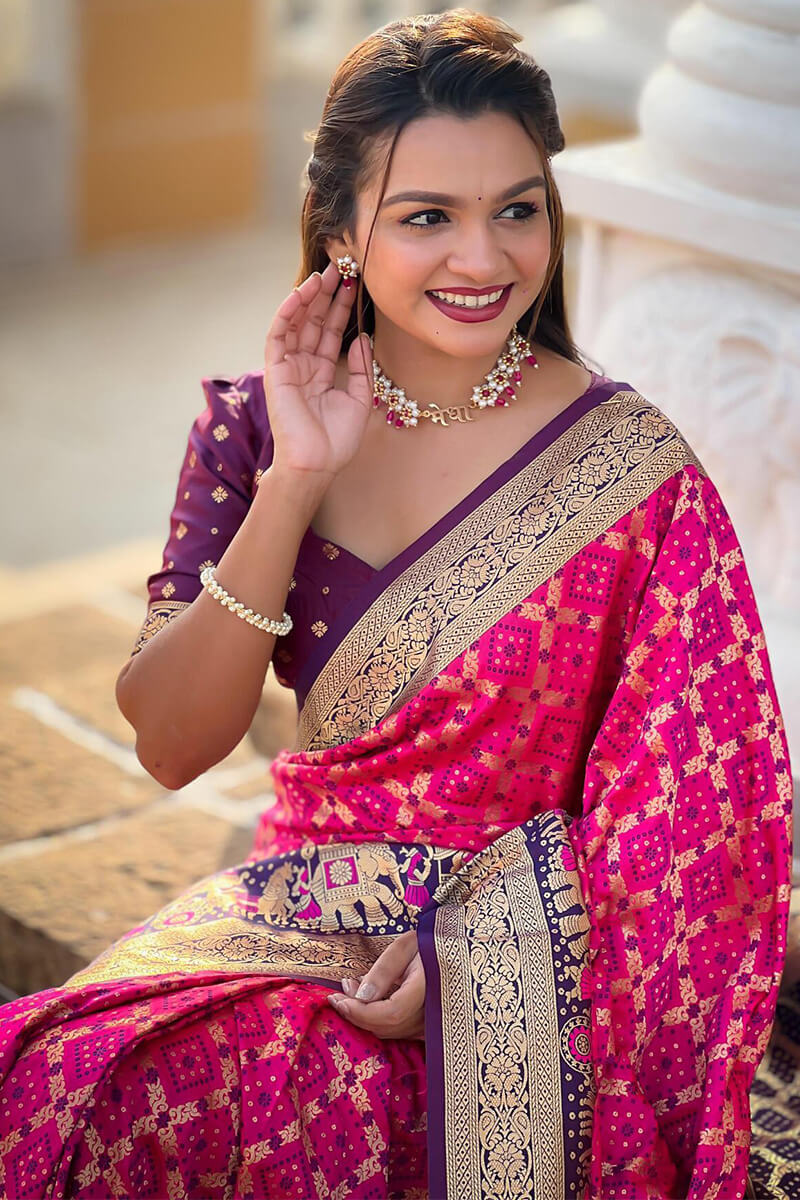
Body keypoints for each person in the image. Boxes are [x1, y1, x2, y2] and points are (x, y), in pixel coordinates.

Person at [0, 9, 792, 1199]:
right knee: (77, 1090)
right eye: (427, 216)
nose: (482, 260)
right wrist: (298, 478)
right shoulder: (250, 429)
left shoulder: (630, 473)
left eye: (515, 209)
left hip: (534, 960)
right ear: (338, 231)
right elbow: (171, 744)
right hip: (292, 911)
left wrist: (483, 947)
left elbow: (697, 814)